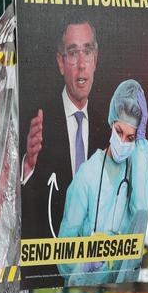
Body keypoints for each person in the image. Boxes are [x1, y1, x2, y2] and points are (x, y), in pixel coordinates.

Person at [57, 79, 148, 285]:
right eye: (119, 132)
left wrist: (141, 146)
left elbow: (143, 211)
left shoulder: (135, 171)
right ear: (112, 122)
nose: (123, 141)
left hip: (123, 290)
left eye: (131, 137)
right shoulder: (88, 174)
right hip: (85, 290)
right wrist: (85, 264)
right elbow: (63, 253)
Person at [22, 21, 110, 240]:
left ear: (95, 60)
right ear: (61, 63)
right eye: (72, 53)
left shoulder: (108, 129)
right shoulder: (36, 121)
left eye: (87, 52)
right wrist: (27, 165)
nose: (81, 64)